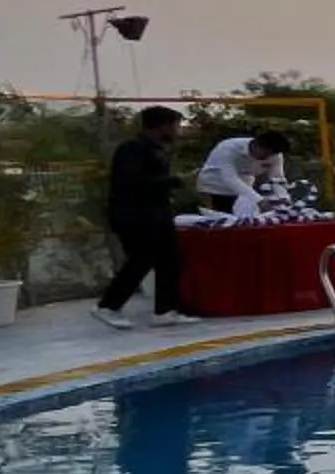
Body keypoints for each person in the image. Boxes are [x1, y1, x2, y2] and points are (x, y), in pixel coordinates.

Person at [95, 106, 197, 330]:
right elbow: (131, 183)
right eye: (175, 125)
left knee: (171, 259)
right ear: (163, 126)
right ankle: (108, 306)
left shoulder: (156, 149)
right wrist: (174, 180)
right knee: (141, 260)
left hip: (157, 213)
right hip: (133, 214)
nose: (177, 130)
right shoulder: (132, 149)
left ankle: (165, 310)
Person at [198, 128, 290, 216]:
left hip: (245, 192)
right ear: (256, 145)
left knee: (245, 222)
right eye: (266, 153)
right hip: (214, 188)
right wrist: (259, 200)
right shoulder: (228, 148)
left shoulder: (275, 155)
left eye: (271, 155)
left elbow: (277, 178)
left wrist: (283, 198)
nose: (268, 157)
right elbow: (230, 178)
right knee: (218, 223)